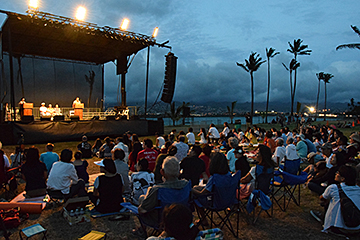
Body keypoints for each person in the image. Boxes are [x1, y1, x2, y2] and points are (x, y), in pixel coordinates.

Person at [137, 156, 189, 227]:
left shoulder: (157, 190)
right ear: (179, 171)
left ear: (162, 172)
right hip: (183, 218)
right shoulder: (186, 185)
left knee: (142, 198)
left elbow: (142, 210)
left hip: (161, 221)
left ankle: (142, 230)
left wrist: (147, 194)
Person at [312, 165, 360, 236]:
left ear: (343, 178)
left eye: (338, 173)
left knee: (327, 201)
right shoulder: (358, 189)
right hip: (357, 228)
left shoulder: (333, 188)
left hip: (339, 229)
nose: (336, 173)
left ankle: (326, 219)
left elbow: (322, 198)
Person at [192, 152, 234, 225]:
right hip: (227, 200)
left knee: (194, 195)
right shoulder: (228, 174)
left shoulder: (214, 178)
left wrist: (190, 189)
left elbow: (202, 193)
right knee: (196, 187)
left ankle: (204, 219)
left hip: (215, 202)